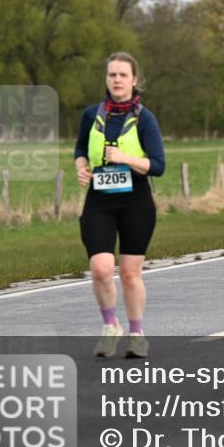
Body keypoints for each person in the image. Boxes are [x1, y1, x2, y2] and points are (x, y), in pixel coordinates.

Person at [75, 53, 165, 358]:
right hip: (99, 201)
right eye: (112, 75)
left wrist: (125, 158)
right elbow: (79, 148)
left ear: (134, 80)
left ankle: (137, 334)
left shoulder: (144, 118)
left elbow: (158, 165)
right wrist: (81, 166)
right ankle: (110, 326)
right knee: (100, 268)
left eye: (123, 75)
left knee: (129, 273)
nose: (117, 80)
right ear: (106, 79)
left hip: (136, 202)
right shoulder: (91, 115)